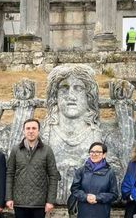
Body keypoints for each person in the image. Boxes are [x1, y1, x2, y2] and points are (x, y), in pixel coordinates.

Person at [42, 64, 103, 202]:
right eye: (64, 88)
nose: (71, 96)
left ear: (89, 96)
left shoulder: (99, 135)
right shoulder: (44, 134)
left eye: (79, 88)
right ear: (54, 96)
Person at [6, 118, 61, 218]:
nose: (31, 131)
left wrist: (50, 201)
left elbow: (53, 176)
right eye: (28, 128)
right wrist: (9, 198)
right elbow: (10, 174)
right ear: (24, 131)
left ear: (38, 131)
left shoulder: (47, 150)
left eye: (34, 128)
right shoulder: (16, 150)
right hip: (20, 202)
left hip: (40, 203)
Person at [70, 142, 119, 218]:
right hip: (84, 212)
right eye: (92, 151)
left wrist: (97, 198)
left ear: (104, 154)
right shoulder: (81, 171)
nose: (94, 154)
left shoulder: (110, 172)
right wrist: (85, 197)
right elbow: (74, 189)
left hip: (102, 212)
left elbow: (114, 194)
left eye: (98, 152)